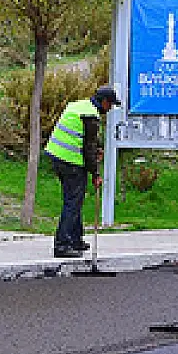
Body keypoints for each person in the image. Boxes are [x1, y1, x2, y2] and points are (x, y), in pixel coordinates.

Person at [44, 85, 120, 258]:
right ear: (104, 102)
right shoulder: (91, 115)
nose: (110, 109)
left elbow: (85, 139)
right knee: (73, 202)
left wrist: (95, 151)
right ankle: (62, 245)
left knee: (74, 199)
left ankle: (75, 239)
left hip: (57, 156)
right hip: (71, 161)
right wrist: (96, 174)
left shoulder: (78, 106)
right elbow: (88, 148)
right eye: (111, 105)